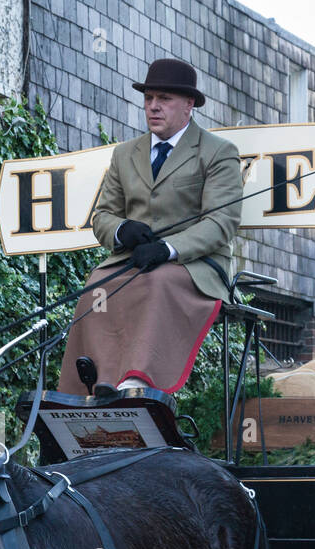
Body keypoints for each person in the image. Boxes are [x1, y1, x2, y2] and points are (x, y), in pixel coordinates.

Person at [58, 57, 242, 397]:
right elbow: (102, 215)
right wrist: (122, 230)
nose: (153, 107)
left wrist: (169, 249)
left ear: (189, 105)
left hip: (194, 265)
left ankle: (137, 379)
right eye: (148, 99)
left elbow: (221, 222)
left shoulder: (218, 153)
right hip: (134, 260)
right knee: (96, 286)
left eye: (164, 100)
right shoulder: (125, 154)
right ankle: (92, 383)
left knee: (157, 281)